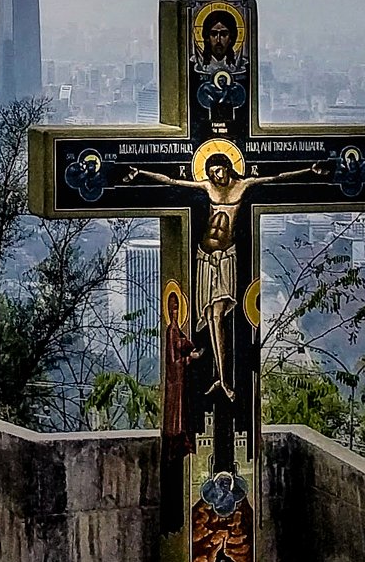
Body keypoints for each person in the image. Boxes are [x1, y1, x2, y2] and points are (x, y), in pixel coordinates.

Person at [125, 152, 328, 401]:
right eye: (211, 173)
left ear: (228, 168)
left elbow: (275, 177)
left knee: (218, 317)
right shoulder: (207, 186)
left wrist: (309, 170)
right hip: (203, 258)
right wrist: (141, 173)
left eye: (219, 171)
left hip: (225, 260)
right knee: (210, 316)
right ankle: (218, 377)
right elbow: (172, 182)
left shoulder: (242, 185)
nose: (216, 176)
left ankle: (225, 380)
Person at [160, 288, 201, 534]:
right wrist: (190, 358)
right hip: (177, 392)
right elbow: (173, 362)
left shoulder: (177, 329)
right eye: (172, 307)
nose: (175, 311)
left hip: (183, 392)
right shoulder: (171, 331)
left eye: (177, 307)